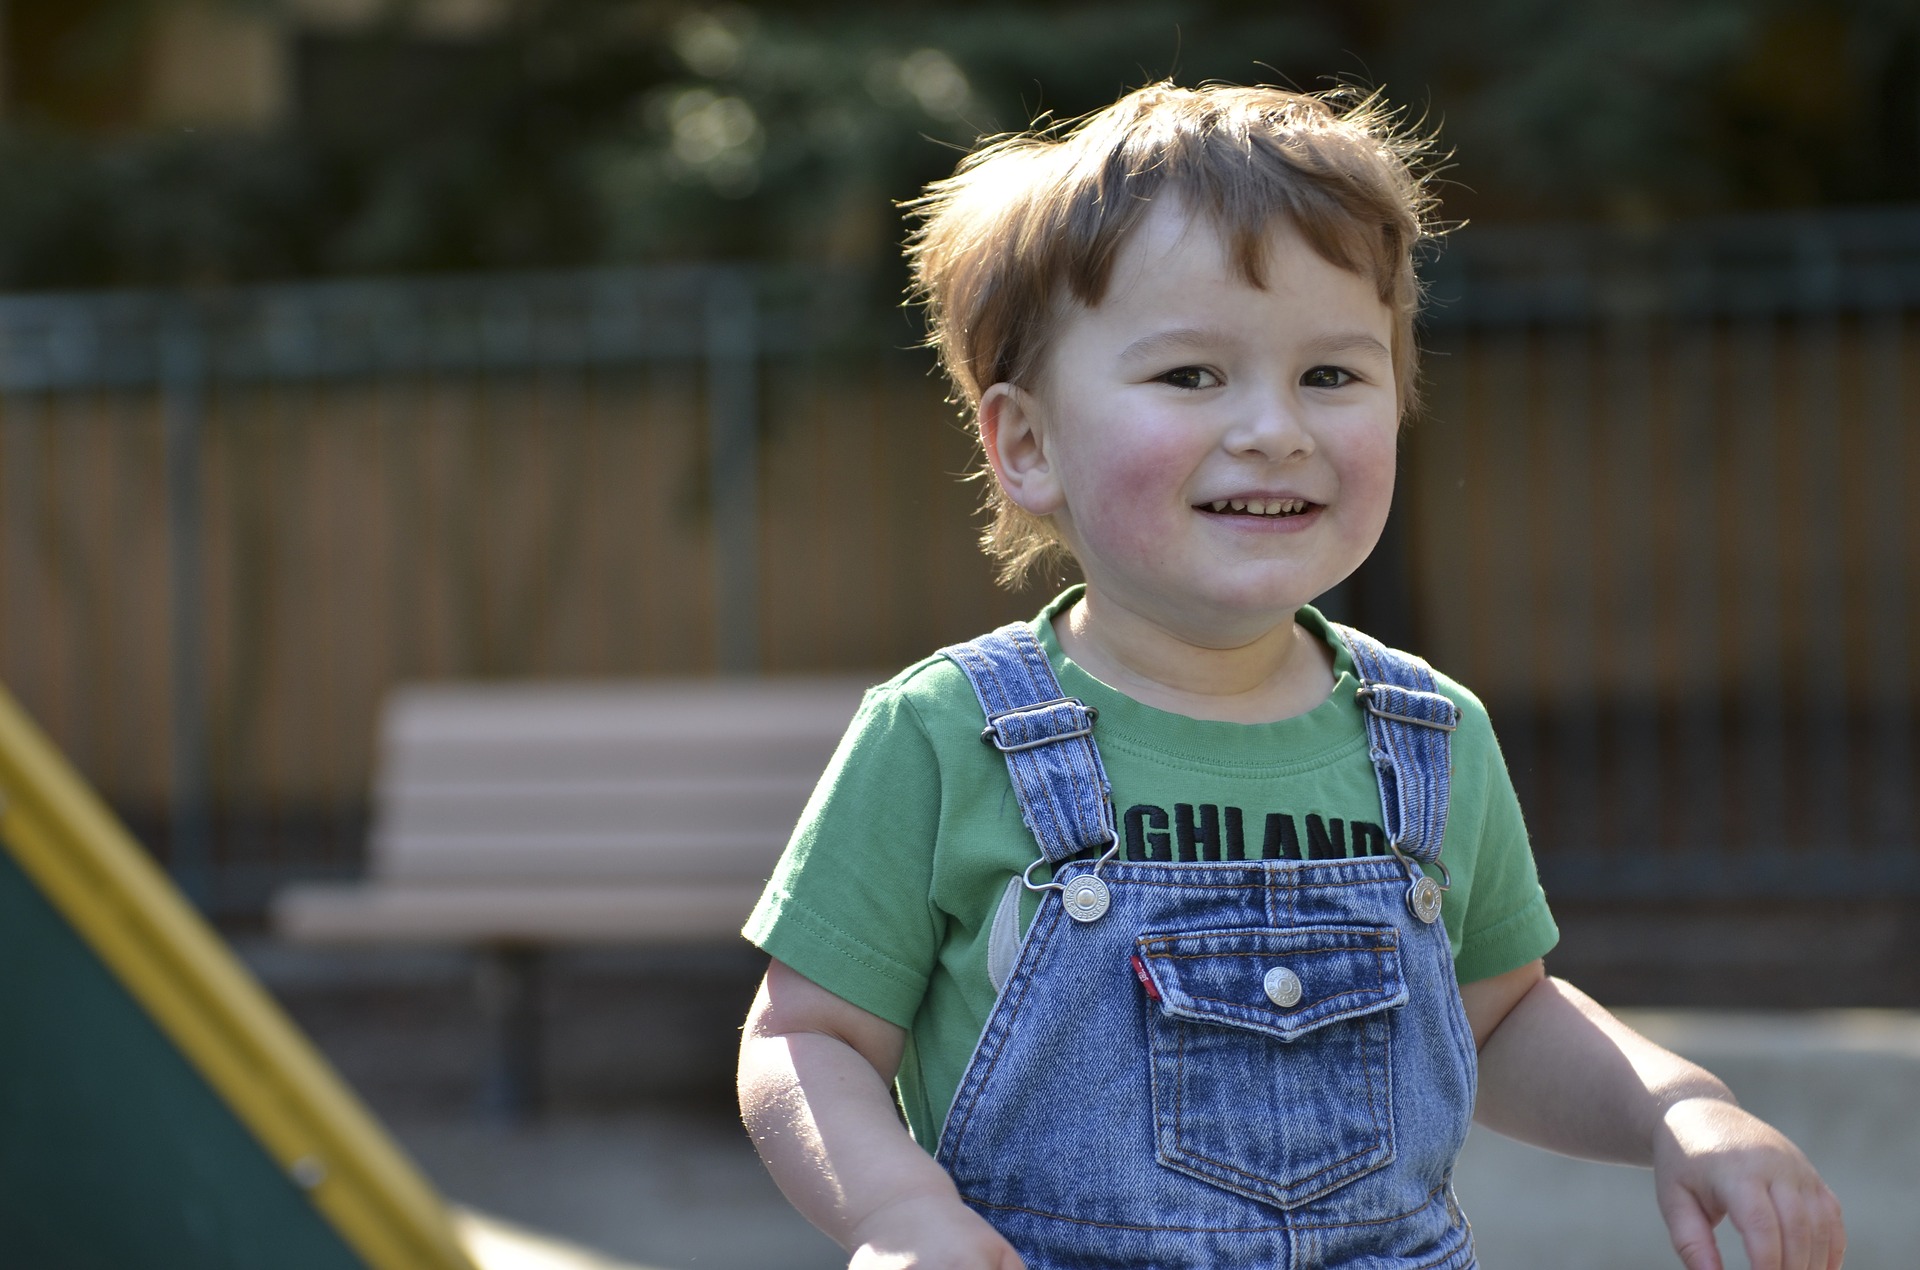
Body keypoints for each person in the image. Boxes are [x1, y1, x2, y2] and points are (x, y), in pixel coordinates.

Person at [735, 82, 1845, 1270]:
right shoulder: (947, 734)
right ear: (1029, 445)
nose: (1275, 428)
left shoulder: (1426, 735)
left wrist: (1681, 1108)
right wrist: (899, 1215)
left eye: (1332, 376)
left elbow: (1505, 1014)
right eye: (1191, 377)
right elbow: (807, 1042)